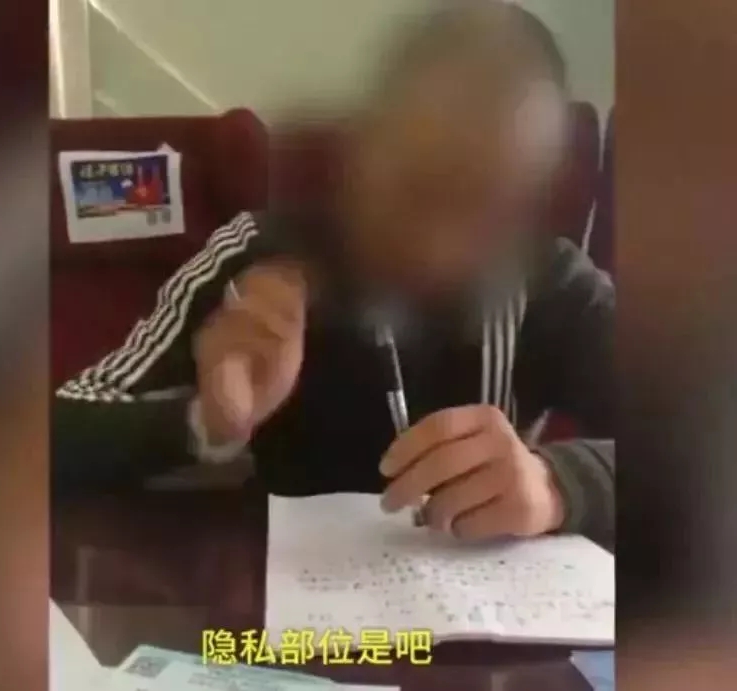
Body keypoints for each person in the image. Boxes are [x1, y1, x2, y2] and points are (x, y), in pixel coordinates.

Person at [53, 0, 614, 547]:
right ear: (364, 146)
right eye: (418, 184)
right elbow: (52, 438)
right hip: (281, 601)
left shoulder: (552, 282)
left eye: (484, 202)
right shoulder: (255, 257)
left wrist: (558, 484)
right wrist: (208, 423)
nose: (436, 247)